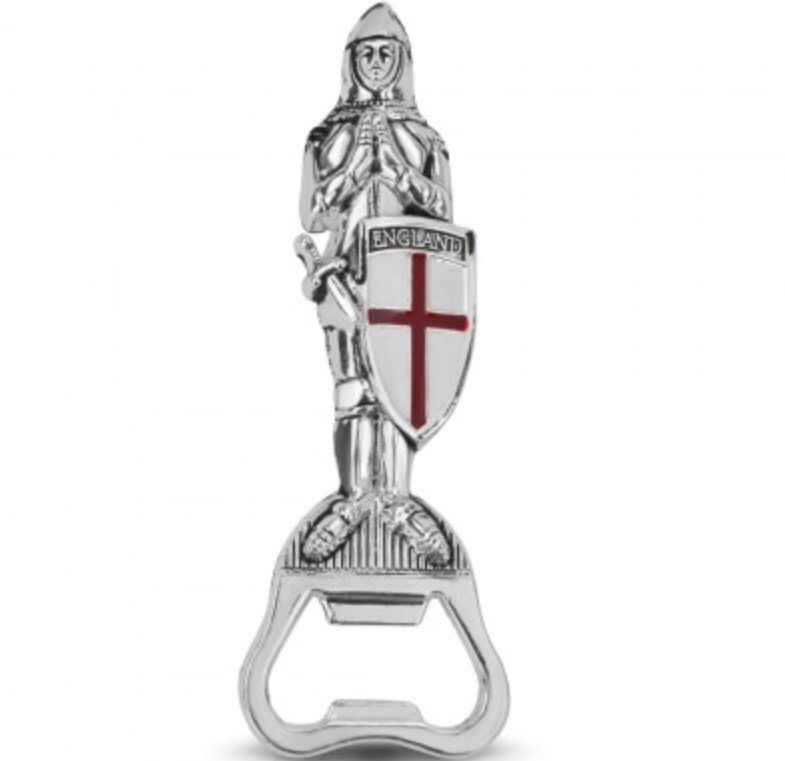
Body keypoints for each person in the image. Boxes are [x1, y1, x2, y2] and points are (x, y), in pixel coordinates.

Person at [296, 3, 452, 565]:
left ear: (403, 60)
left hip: (405, 280)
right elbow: (312, 214)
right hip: (344, 272)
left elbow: (442, 210)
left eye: (387, 52)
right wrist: (358, 165)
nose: (377, 62)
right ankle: (353, 497)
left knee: (398, 391)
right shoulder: (327, 135)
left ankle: (397, 500)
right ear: (351, 61)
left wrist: (398, 169)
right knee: (352, 387)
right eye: (368, 53)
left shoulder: (425, 138)